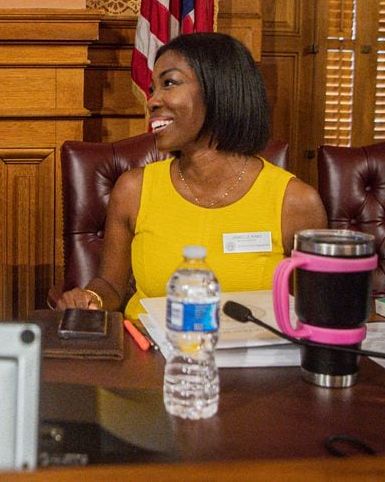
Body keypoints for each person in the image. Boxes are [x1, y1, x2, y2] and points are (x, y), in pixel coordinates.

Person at [54, 32, 327, 319]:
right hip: (150, 357)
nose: (152, 102)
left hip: (250, 361)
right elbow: (110, 285)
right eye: (152, 89)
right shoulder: (133, 189)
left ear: (219, 88)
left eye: (169, 83)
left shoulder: (296, 202)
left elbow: (319, 314)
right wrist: (90, 297)